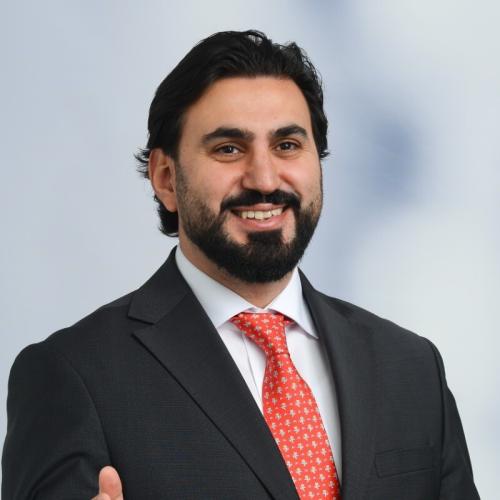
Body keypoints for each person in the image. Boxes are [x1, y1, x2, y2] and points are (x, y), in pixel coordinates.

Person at [2, 30, 479, 500]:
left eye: (287, 145)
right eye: (228, 149)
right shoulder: (73, 375)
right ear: (165, 178)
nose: (265, 179)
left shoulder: (411, 366)